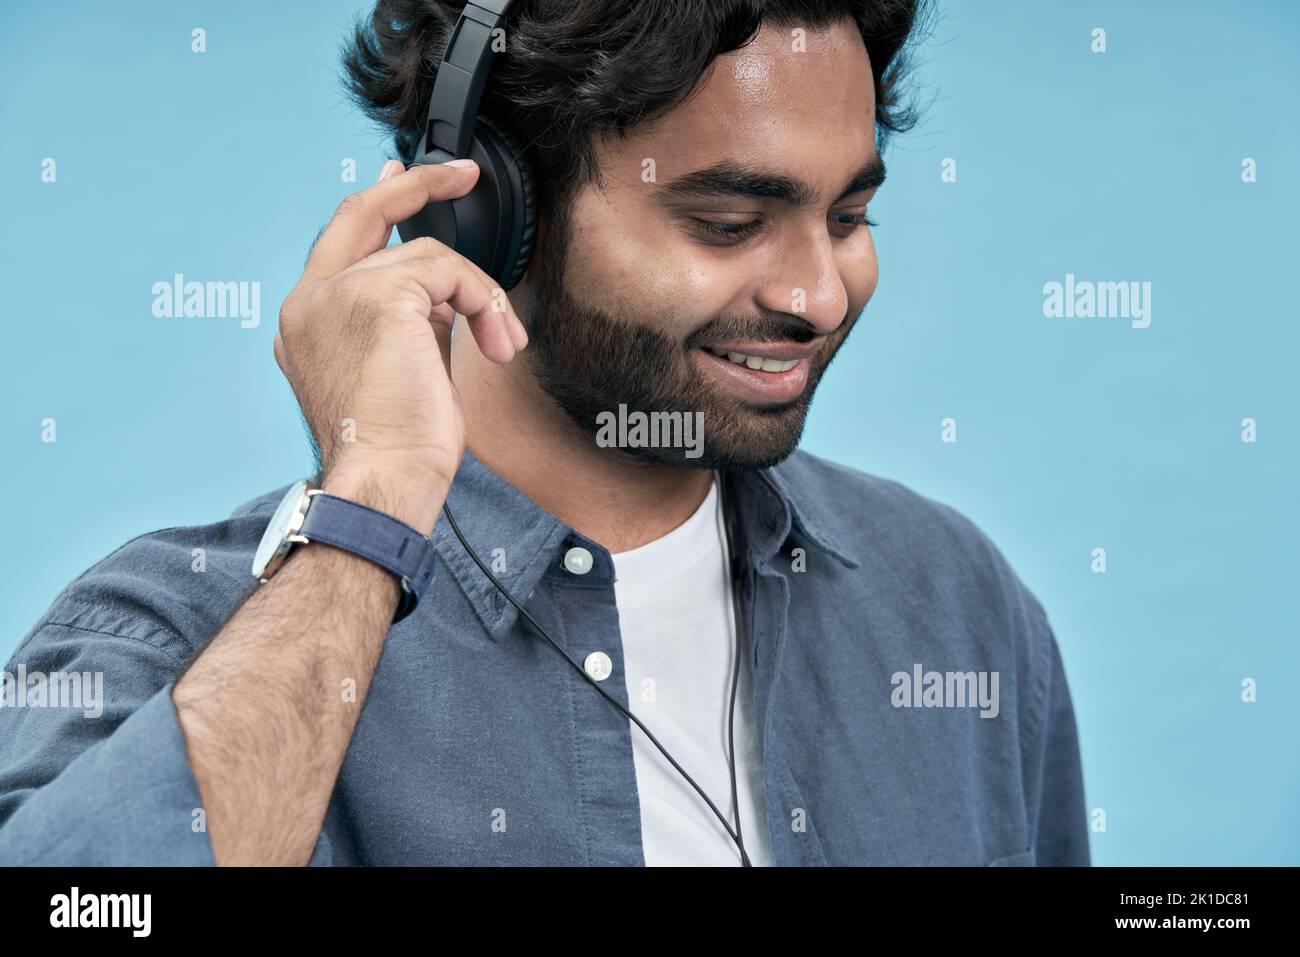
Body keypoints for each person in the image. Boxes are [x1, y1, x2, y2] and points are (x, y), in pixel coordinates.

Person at [0, 0, 1089, 866]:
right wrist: (371, 497)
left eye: (847, 218)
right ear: (482, 218)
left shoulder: (955, 602)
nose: (819, 292)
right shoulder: (173, 634)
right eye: (727, 224)